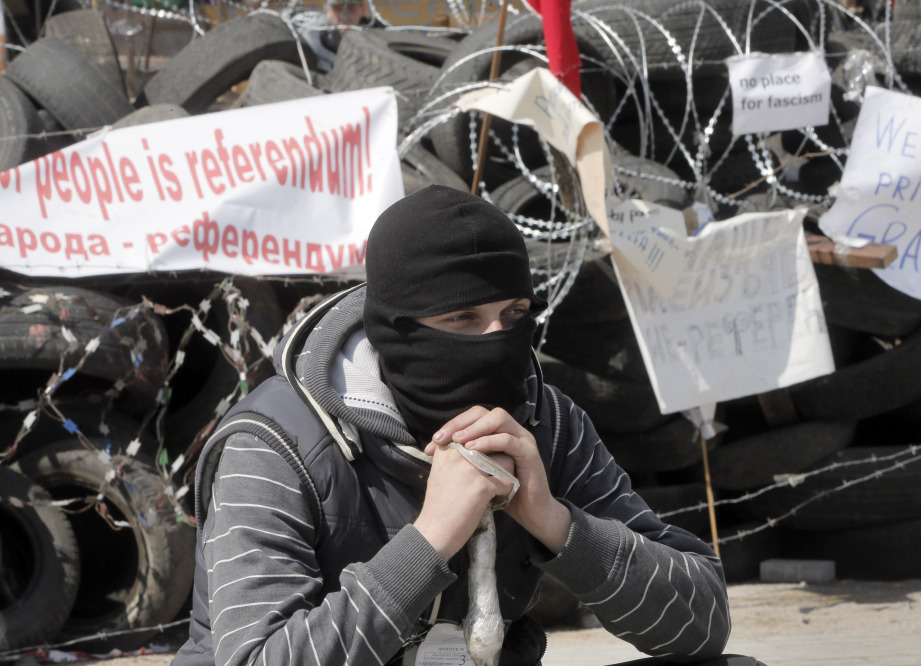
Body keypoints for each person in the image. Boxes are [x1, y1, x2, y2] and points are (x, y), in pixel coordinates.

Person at [172, 185, 732, 666]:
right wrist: (430, 540)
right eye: (461, 319)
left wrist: (556, 521)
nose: (496, 342)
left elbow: (704, 621)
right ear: (394, 329)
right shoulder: (276, 445)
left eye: (513, 315)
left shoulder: (547, 424)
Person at [287, 0, 368, 72]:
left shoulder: (375, 38)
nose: (344, 15)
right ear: (326, 9)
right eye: (338, 9)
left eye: (350, 9)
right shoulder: (313, 35)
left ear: (362, 8)